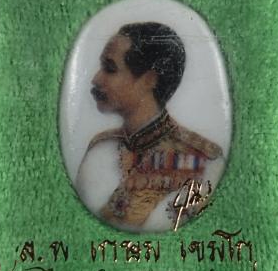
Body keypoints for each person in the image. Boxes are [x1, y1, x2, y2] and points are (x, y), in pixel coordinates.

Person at [76, 21, 225, 231]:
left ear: (149, 80)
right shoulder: (99, 148)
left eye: (110, 68)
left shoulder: (205, 162)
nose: (95, 79)